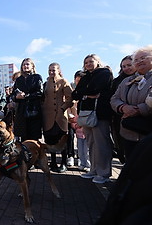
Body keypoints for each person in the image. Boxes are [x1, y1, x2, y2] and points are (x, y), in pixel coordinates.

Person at [72, 54, 114, 184]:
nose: (88, 64)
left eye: (91, 61)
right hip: (86, 114)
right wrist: (87, 94)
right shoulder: (85, 77)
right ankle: (94, 169)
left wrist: (85, 92)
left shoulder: (105, 73)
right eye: (86, 62)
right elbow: (75, 93)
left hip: (100, 114)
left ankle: (104, 172)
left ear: (98, 62)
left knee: (102, 144)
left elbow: (95, 89)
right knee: (91, 143)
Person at [110, 45, 152, 161]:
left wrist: (138, 110)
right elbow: (114, 99)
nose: (139, 61)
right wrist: (123, 107)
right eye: (136, 60)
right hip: (129, 131)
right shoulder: (126, 81)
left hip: (148, 131)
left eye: (143, 58)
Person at [42, 63, 74, 173]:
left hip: (60, 116)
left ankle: (64, 163)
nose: (51, 72)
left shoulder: (64, 81)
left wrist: (62, 108)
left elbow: (71, 98)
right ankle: (53, 162)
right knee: (50, 139)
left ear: (58, 70)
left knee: (62, 139)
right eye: (49, 70)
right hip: (47, 115)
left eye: (53, 70)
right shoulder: (45, 83)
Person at [110, 55, 136, 163]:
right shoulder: (117, 81)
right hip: (119, 118)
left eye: (129, 65)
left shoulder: (145, 78)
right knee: (122, 146)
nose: (126, 68)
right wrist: (122, 107)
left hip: (139, 118)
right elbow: (113, 98)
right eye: (124, 66)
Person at [11, 58, 43, 142]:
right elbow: (13, 94)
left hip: (33, 111)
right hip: (21, 112)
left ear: (32, 66)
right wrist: (16, 97)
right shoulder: (19, 79)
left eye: (27, 64)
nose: (25, 66)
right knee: (23, 138)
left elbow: (40, 93)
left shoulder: (37, 77)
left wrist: (26, 96)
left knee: (33, 137)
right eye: (24, 64)